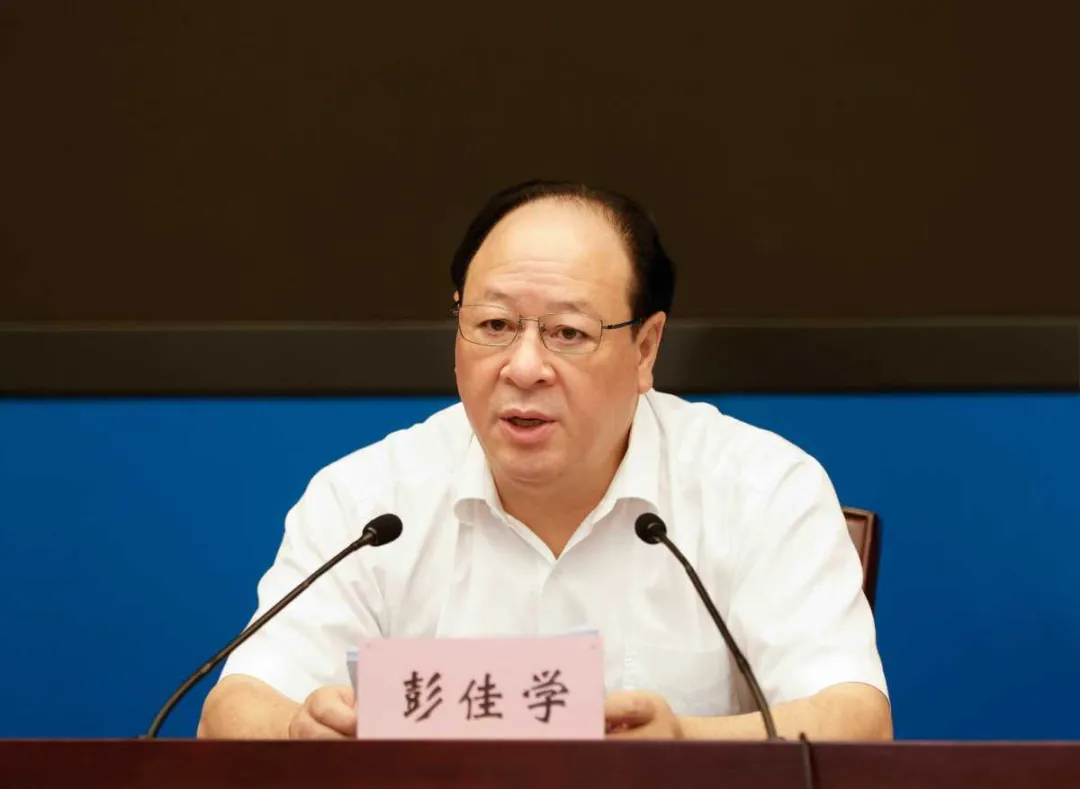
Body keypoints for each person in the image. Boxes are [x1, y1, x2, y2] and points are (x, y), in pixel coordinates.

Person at [197, 180, 891, 740]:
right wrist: (300, 728)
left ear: (646, 348)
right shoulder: (368, 502)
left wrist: (683, 743)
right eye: (494, 325)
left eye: (568, 332)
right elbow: (233, 709)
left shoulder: (761, 487)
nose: (524, 366)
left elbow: (854, 719)